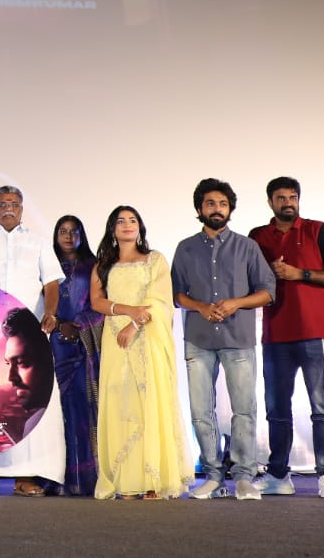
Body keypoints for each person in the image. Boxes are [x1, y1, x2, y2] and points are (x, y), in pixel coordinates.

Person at [171, 178, 275, 501]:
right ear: (199, 208)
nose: (217, 209)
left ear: (230, 209)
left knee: (244, 410)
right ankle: (213, 476)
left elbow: (268, 291)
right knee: (201, 411)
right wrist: (200, 306)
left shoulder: (247, 247)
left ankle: (244, 476)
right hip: (198, 338)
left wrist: (235, 303)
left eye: (223, 204)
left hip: (238, 338)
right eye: (210, 204)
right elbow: (176, 294)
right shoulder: (185, 248)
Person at [248, 177, 324, 499]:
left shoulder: (317, 230)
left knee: (322, 407)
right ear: (270, 202)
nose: (288, 203)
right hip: (275, 334)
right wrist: (266, 273)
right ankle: (278, 475)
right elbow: (248, 279)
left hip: (315, 333)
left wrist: (299, 273)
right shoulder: (257, 236)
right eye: (281, 198)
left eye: (292, 197)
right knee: (276, 409)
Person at [0, 185, 65, 497]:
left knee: (28, 402)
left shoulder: (38, 241)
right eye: (2, 203)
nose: (9, 208)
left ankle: (25, 476)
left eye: (14, 204)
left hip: (29, 335)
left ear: (22, 208)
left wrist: (51, 312)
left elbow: (51, 283)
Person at [89, 206, 191, 500]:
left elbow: (159, 301)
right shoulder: (103, 265)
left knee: (149, 402)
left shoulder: (154, 259)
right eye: (120, 221)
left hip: (145, 338)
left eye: (132, 220)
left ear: (140, 227)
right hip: (115, 339)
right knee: (120, 403)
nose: (127, 224)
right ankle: (125, 481)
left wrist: (134, 323)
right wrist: (127, 311)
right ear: (112, 229)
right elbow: (97, 302)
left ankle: (152, 481)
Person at [49, 214, 101, 496]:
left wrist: (77, 325)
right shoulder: (46, 263)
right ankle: (52, 477)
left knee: (82, 408)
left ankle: (84, 478)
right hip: (52, 345)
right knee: (54, 412)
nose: (69, 236)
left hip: (83, 346)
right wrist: (59, 325)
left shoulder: (94, 266)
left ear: (82, 235)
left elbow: (99, 304)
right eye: (63, 231)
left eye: (74, 231)